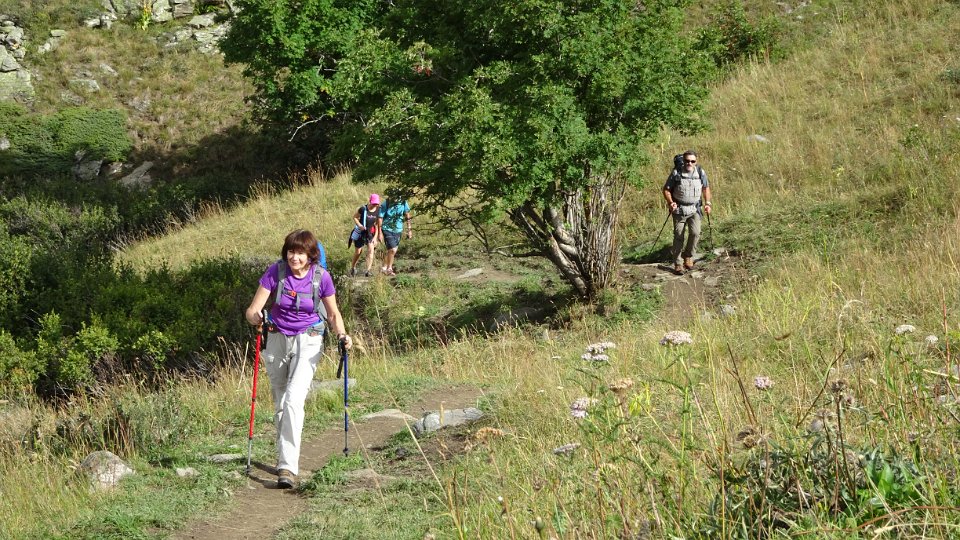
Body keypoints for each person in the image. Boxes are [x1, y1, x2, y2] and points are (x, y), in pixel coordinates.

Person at [245, 229, 353, 489]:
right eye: (291, 252)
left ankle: (287, 467)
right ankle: (285, 455)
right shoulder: (276, 272)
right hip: (277, 337)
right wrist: (255, 317)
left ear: (311, 255)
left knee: (294, 399)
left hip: (310, 339)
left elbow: (333, 314)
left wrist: (342, 335)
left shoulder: (321, 277)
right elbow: (252, 310)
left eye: (301, 253)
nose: (295, 257)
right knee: (281, 401)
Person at [662, 150, 712, 274]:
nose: (689, 163)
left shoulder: (700, 172)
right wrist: (670, 202)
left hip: (695, 209)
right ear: (683, 161)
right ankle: (678, 264)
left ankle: (688, 256)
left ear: (696, 161)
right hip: (679, 209)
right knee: (679, 236)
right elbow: (666, 190)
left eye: (692, 161)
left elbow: (705, 188)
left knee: (695, 233)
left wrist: (708, 203)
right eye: (687, 161)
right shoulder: (676, 173)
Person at [377, 194, 412, 276]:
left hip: (398, 229)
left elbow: (407, 215)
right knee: (393, 249)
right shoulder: (386, 203)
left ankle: (384, 267)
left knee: (392, 250)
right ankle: (389, 269)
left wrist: (409, 229)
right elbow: (380, 218)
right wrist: (380, 232)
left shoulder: (403, 202)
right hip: (387, 228)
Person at [348, 194, 381, 277]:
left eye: (376, 203)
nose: (375, 205)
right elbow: (355, 217)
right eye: (374, 203)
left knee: (371, 250)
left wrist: (375, 237)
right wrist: (359, 225)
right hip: (361, 232)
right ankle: (353, 267)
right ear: (370, 201)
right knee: (358, 252)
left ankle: (368, 271)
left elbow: (377, 225)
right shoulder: (363, 209)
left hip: (370, 233)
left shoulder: (378, 210)